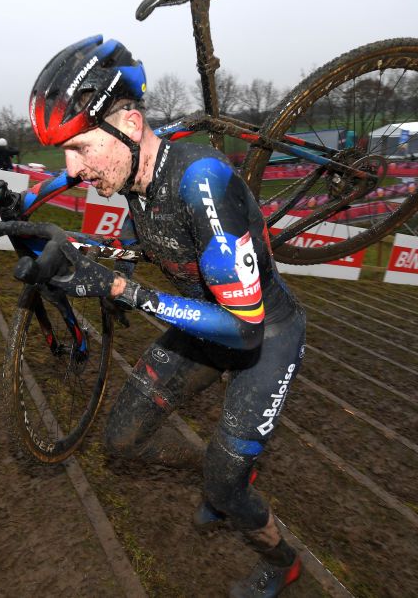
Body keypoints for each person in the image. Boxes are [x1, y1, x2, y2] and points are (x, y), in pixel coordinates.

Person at [27, 36, 306, 598]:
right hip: (205, 327)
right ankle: (219, 471)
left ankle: (282, 561)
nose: (73, 169)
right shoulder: (128, 166)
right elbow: (55, 188)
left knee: (228, 489)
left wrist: (120, 288)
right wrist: (14, 211)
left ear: (129, 124)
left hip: (262, 335)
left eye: (80, 149)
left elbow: (246, 327)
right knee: (123, 443)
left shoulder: (201, 180)